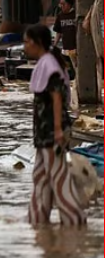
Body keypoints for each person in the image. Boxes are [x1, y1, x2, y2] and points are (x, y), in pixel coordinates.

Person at [24, 24, 86, 227]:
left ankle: (75, 222)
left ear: (37, 43)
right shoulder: (45, 63)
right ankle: (38, 221)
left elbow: (57, 98)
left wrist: (58, 129)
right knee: (40, 177)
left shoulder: (50, 66)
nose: (25, 46)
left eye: (27, 42)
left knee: (59, 178)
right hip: (44, 133)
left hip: (53, 132)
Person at [53, 0, 78, 73]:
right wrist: (54, 45)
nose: (62, 6)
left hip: (77, 48)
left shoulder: (76, 14)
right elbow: (58, 32)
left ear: (69, 4)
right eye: (60, 4)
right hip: (66, 48)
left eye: (63, 4)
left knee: (78, 69)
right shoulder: (60, 16)